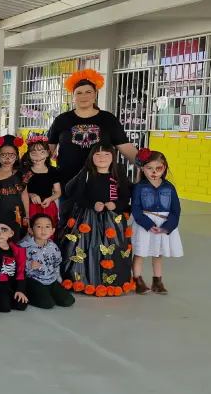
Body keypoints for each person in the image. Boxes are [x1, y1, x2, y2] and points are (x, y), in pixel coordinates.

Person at [49, 69, 137, 225]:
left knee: (100, 226)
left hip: (103, 183)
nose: (84, 96)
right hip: (69, 183)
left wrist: (148, 163)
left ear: (95, 94)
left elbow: (126, 148)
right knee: (68, 223)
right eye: (79, 92)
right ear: (73, 96)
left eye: (88, 92)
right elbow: (47, 150)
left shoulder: (107, 119)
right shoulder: (62, 120)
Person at [60, 143, 134, 297]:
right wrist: (92, 204)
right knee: (88, 248)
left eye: (106, 154)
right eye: (98, 154)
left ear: (113, 157)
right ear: (91, 157)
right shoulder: (86, 174)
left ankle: (112, 282)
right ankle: (86, 280)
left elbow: (126, 195)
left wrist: (116, 204)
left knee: (114, 248)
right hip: (87, 218)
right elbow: (74, 194)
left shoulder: (118, 173)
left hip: (113, 219)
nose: (102, 158)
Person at [131, 148, 182, 295]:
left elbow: (175, 210)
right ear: (142, 168)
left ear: (164, 168)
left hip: (163, 225)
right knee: (140, 252)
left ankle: (157, 281)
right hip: (144, 224)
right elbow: (135, 208)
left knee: (158, 253)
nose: (154, 172)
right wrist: (147, 224)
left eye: (158, 168)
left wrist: (168, 226)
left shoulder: (169, 187)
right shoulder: (139, 187)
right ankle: (138, 280)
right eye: (149, 168)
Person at [19, 214, 75, 309]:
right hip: (33, 280)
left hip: (50, 279)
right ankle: (32, 294)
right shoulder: (24, 246)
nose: (43, 230)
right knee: (47, 304)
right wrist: (29, 264)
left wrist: (58, 279)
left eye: (47, 226)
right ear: (31, 230)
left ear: (52, 230)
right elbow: (16, 263)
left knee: (68, 301)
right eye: (39, 226)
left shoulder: (53, 247)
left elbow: (57, 263)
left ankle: (47, 292)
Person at [0, 135, 31, 232]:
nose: (7, 158)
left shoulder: (22, 174)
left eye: (11, 155)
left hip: (17, 214)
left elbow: (24, 196)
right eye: (3, 155)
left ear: (16, 157)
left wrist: (27, 216)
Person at [21, 134, 62, 235]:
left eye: (42, 152)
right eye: (34, 153)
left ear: (48, 153)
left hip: (48, 207)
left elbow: (58, 192)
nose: (38, 157)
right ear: (29, 155)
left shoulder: (52, 171)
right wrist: (31, 195)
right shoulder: (26, 172)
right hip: (30, 207)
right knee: (32, 232)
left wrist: (49, 199)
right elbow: (22, 192)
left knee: (48, 233)